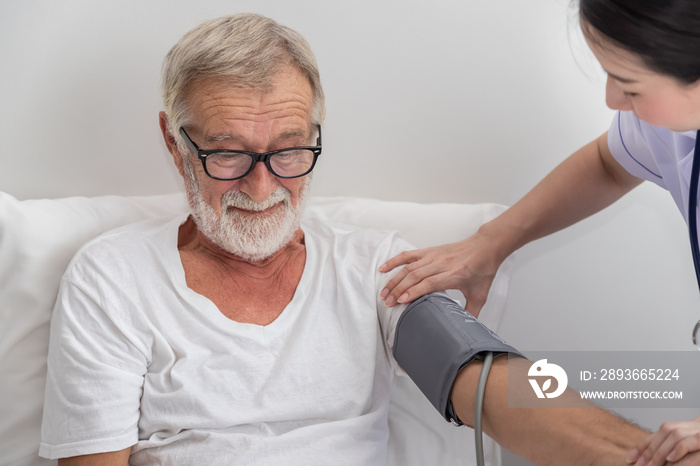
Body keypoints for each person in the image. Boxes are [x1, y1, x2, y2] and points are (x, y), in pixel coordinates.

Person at [38, 12, 672, 466]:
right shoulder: (112, 278)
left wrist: (641, 454)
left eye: (289, 152)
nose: (262, 190)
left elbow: (488, 380)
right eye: (228, 155)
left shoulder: (374, 266)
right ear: (175, 144)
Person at [379, 1, 700, 465]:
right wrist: (490, 242)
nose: (612, 100)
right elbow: (609, 163)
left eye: (629, 85)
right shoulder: (673, 126)